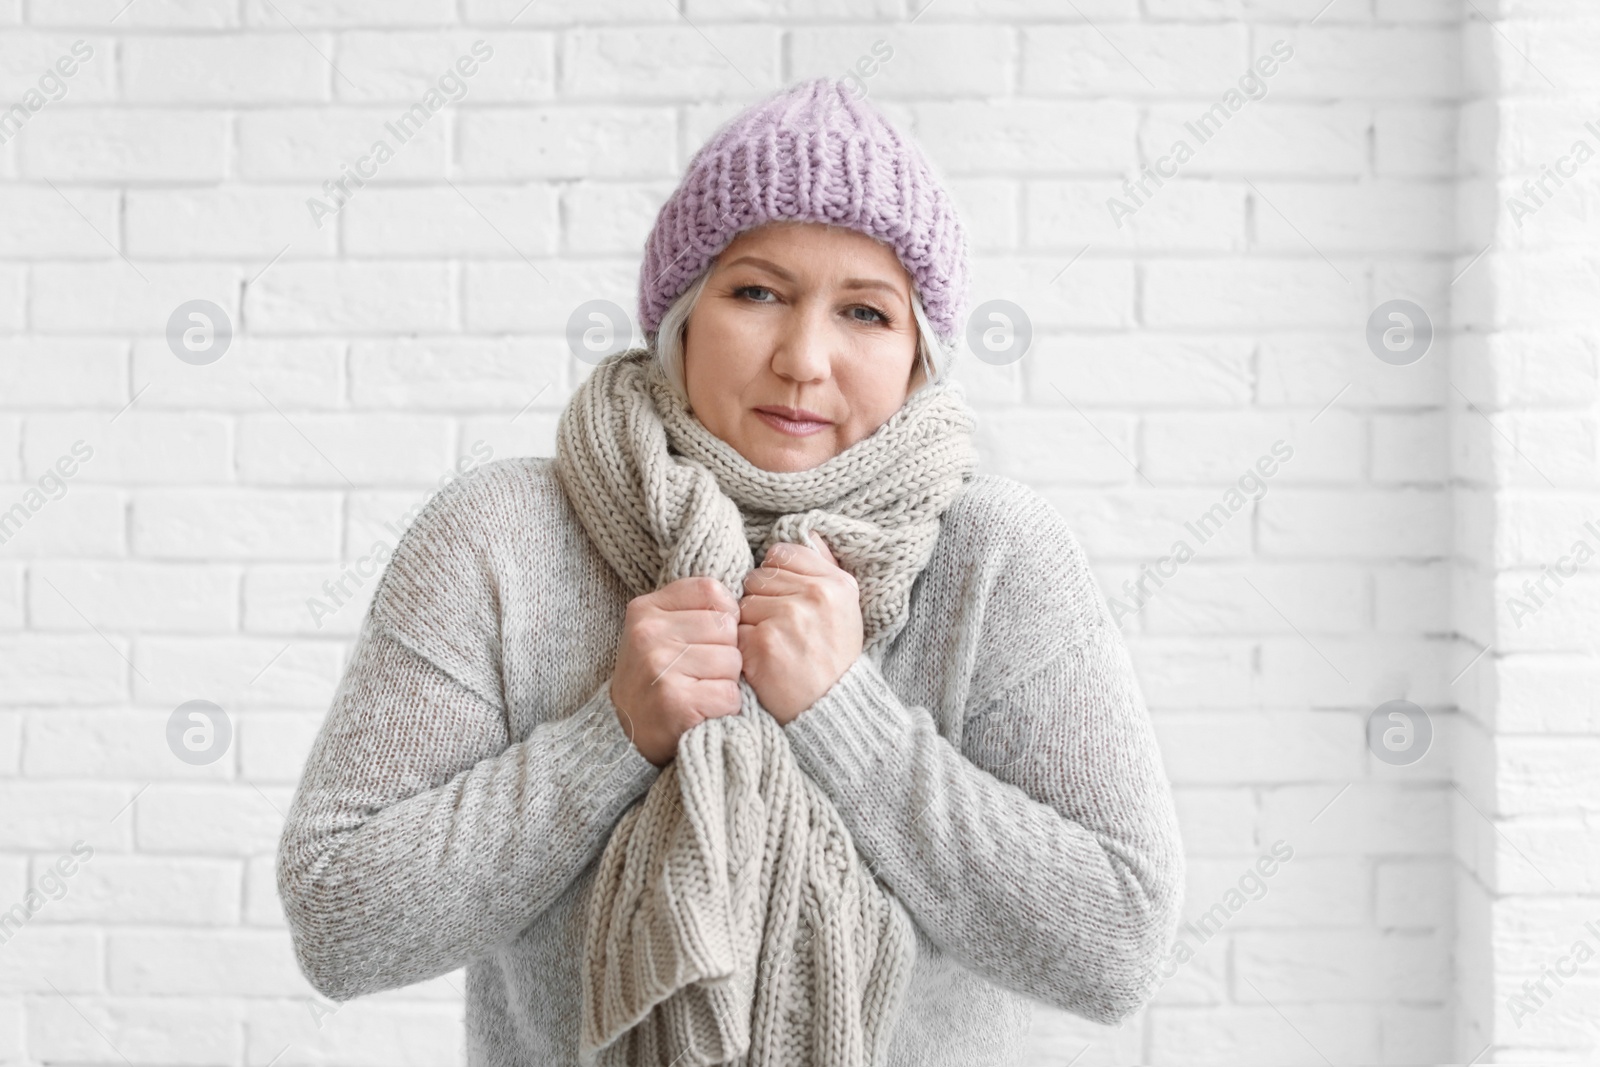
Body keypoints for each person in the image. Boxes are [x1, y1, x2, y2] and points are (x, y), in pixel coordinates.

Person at [277, 77, 1185, 1066]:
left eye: (866, 312)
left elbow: (1119, 940)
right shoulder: (500, 536)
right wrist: (607, 739)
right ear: (683, 310)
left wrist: (848, 719)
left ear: (921, 351)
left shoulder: (996, 558)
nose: (803, 357)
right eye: (757, 292)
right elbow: (339, 916)